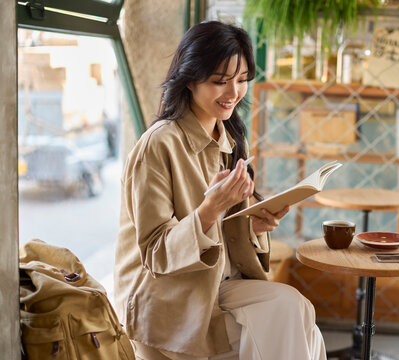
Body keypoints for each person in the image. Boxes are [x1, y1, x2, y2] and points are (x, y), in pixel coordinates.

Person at [113, 21, 327, 360]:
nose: (233, 93)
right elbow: (155, 253)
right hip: (168, 296)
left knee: (299, 311)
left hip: (212, 284)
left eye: (241, 80)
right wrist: (209, 209)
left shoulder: (227, 138)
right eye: (219, 82)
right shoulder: (158, 144)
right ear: (189, 78)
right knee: (285, 313)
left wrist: (252, 225)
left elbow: (222, 234)